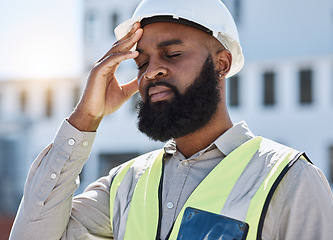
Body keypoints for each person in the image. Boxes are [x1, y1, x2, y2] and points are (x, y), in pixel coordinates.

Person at [10, 0, 333, 239]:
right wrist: (87, 117)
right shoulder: (125, 184)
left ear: (221, 64)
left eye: (172, 54)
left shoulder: (290, 180)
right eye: (140, 62)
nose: (151, 71)